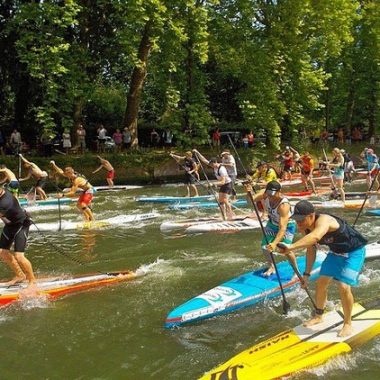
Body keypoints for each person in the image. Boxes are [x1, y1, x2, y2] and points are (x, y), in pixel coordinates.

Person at [278, 200, 368, 337]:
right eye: (296, 220)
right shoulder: (306, 228)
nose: (299, 223)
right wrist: (306, 274)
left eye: (301, 219)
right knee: (321, 283)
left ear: (311, 215)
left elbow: (315, 237)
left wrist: (291, 247)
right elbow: (311, 250)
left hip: (354, 253)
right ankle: (319, 316)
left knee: (343, 287)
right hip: (336, 253)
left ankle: (348, 323)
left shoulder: (325, 221)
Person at [245, 181, 297, 276]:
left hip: (287, 226)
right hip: (272, 223)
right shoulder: (265, 194)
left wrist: (274, 243)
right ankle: (272, 266)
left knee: (285, 249)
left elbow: (282, 228)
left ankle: (296, 271)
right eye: (268, 194)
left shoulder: (283, 205)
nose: (270, 197)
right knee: (265, 246)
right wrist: (248, 193)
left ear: (279, 191)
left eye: (272, 195)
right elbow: (250, 201)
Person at [0, 187, 36, 288]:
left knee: (19, 256)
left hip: (21, 225)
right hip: (10, 225)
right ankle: (20, 275)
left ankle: (32, 280)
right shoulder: (3, 191)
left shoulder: (4, 202)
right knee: (2, 252)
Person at [193, 149, 234, 219]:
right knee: (220, 201)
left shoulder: (221, 169)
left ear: (215, 162)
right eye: (210, 164)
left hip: (227, 184)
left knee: (225, 200)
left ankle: (230, 215)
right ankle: (224, 216)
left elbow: (223, 182)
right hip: (223, 185)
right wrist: (197, 152)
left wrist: (212, 184)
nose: (211, 166)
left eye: (212, 164)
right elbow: (204, 160)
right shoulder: (213, 165)